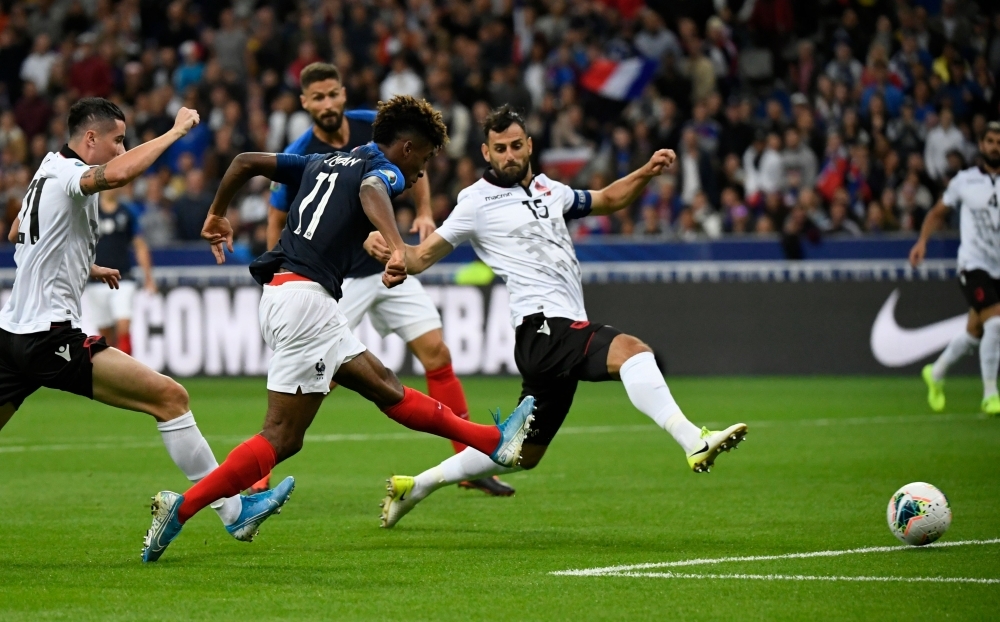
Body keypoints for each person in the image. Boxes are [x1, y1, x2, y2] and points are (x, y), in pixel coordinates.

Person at [140, 96, 535, 563]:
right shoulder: (383, 165)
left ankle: (493, 441)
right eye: (424, 160)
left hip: (290, 297)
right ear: (406, 148)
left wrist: (217, 213)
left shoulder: (318, 160)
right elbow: (371, 189)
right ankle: (181, 508)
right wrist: (396, 246)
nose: (420, 174)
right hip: (305, 303)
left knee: (386, 388)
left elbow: (244, 162)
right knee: (282, 437)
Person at [366, 106, 748, 529]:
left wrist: (646, 172)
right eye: (499, 149)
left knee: (521, 454)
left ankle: (415, 485)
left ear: (529, 145)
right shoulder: (474, 202)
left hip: (556, 332)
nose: (509, 155)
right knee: (633, 352)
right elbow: (422, 256)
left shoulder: (552, 190)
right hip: (542, 326)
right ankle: (693, 439)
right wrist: (393, 251)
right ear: (485, 153)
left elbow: (608, 199)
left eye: (515, 146)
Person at [0, 98, 249, 546]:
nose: (121, 149)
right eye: (117, 140)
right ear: (89, 139)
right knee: (171, 398)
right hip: (49, 336)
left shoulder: (45, 169)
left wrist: (82, 266)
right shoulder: (69, 173)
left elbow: (20, 230)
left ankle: (233, 509)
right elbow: (116, 174)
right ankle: (233, 510)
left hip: (10, 335)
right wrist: (174, 133)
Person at [263, 62, 513, 497]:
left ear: (343, 94)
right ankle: (259, 473)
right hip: (339, 280)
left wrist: (423, 212)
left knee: (436, 351)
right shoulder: (302, 150)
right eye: (316, 98)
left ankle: (469, 462)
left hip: (389, 268)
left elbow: (415, 165)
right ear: (304, 103)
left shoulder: (372, 127)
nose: (327, 104)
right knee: (323, 379)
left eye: (332, 94)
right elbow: (287, 219)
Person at [910, 121, 1000, 415]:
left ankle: (935, 373)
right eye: (990, 141)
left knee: (975, 331)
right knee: (996, 323)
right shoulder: (964, 180)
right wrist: (922, 241)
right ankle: (990, 394)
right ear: (981, 145)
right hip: (973, 265)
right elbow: (938, 212)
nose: (995, 146)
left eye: (999, 141)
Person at [83, 186, 156, 354]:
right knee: (105, 334)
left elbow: (140, 245)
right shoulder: (88, 212)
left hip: (122, 279)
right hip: (95, 281)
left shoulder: (128, 212)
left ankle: (127, 374)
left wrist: (148, 277)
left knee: (123, 325)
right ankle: (113, 374)